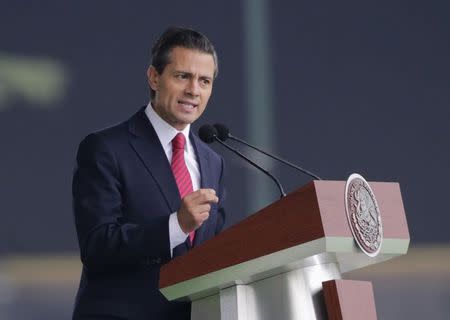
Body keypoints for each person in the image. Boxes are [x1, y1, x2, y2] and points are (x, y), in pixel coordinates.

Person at [72, 27, 226, 320]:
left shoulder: (213, 161)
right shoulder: (105, 149)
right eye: (182, 76)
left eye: (204, 81)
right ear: (154, 77)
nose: (194, 90)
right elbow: (97, 247)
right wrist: (176, 226)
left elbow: (209, 252)